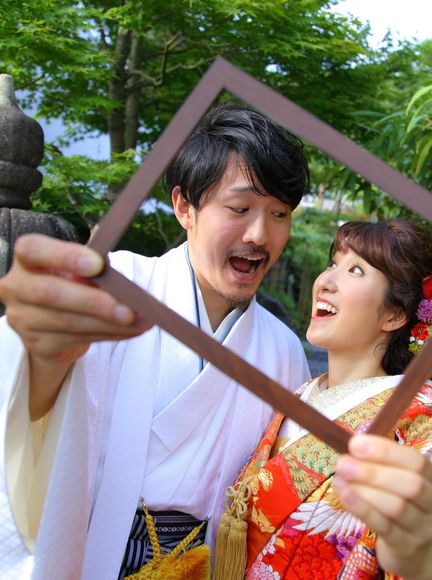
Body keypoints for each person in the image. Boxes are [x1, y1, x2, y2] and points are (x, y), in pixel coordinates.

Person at [0, 103, 312, 579]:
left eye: (279, 214)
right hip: (92, 550)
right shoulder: (113, 287)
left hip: (205, 562)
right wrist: (40, 358)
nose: (259, 234)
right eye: (240, 208)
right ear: (185, 207)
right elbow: (23, 402)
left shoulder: (283, 352)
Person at [216, 220, 432, 579]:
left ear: (394, 315)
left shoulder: (417, 420)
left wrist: (427, 555)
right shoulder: (306, 394)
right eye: (333, 263)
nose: (326, 281)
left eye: (355, 270)